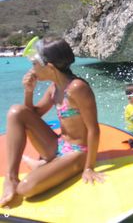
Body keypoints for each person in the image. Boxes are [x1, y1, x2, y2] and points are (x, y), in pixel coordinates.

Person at [0, 37, 104, 207]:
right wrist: (29, 92)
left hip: (77, 153)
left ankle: (45, 165)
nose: (32, 70)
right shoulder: (54, 88)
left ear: (49, 67)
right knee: (16, 111)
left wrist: (89, 167)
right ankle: (11, 178)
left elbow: (94, 129)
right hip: (57, 146)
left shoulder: (77, 88)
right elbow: (31, 114)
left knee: (25, 189)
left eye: (34, 64)